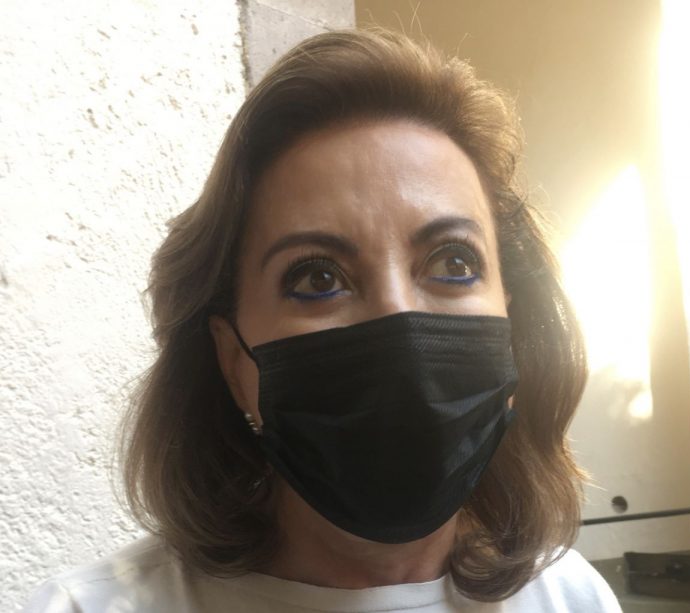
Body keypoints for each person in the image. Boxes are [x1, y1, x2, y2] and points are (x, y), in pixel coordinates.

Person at [25, 29, 621, 612]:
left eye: (453, 262)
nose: (399, 316)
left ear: (512, 318)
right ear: (233, 362)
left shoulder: (571, 598)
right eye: (318, 278)